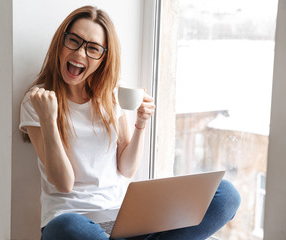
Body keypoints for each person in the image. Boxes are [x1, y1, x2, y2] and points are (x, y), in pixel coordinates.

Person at [19, 5, 241, 240]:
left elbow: (126, 168)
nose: (80, 54)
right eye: (73, 41)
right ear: (60, 43)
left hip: (123, 221)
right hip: (74, 225)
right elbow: (64, 183)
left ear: (103, 58)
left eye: (93, 48)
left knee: (226, 195)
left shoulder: (112, 94)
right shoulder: (37, 100)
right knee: (67, 226)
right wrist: (49, 119)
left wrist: (141, 124)